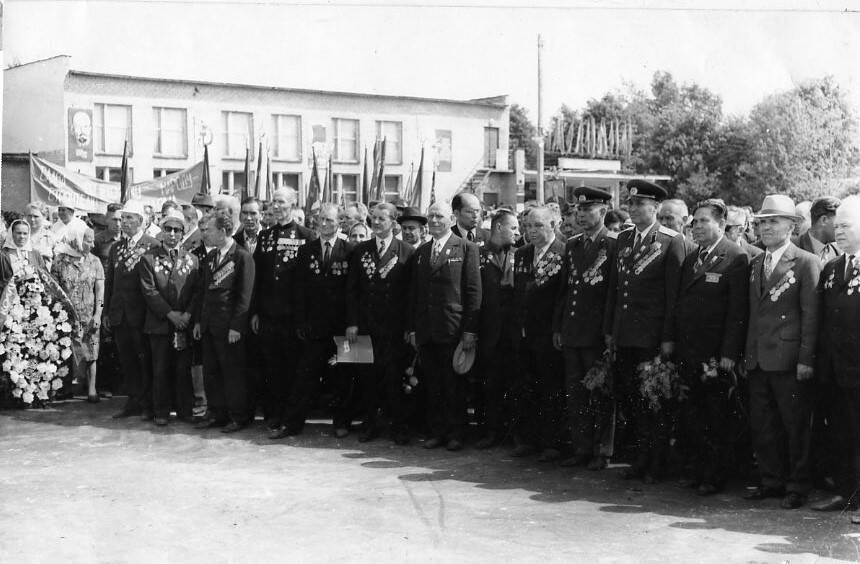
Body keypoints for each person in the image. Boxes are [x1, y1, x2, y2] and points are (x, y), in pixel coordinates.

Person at [604, 180, 685, 483]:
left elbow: (672, 297)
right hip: (625, 336)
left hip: (651, 339)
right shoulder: (624, 238)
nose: (634, 208)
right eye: (631, 204)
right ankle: (640, 460)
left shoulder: (670, 240)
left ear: (655, 208)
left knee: (654, 403)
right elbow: (615, 289)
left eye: (641, 204)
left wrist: (667, 338)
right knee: (632, 402)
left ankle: (657, 463)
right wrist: (611, 331)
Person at [743, 194, 820, 509]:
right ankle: (771, 481)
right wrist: (747, 355)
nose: (767, 227)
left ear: (792, 225)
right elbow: (752, 314)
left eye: (774, 221)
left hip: (789, 360)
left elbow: (811, 316)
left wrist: (806, 359)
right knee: (763, 425)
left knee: (795, 426)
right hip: (759, 358)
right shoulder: (757, 261)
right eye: (763, 222)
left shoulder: (805, 262)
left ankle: (797, 486)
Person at [672, 199, 749, 495]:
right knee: (693, 414)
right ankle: (697, 469)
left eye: (704, 221)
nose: (697, 227)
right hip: (689, 351)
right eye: (695, 221)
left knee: (717, 417)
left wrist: (729, 353)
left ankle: (715, 475)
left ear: (721, 223)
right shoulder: (693, 258)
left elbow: (737, 312)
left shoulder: (735, 257)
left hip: (716, 354)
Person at [553, 187, 617, 471]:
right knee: (575, 392)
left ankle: (601, 450)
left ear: (602, 212)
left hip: (596, 334)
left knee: (600, 393)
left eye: (586, 209)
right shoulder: (573, 245)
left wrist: (609, 332)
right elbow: (565, 291)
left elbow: (613, 295)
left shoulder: (613, 244)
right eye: (578, 209)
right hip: (573, 331)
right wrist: (558, 326)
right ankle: (581, 446)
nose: (580, 214)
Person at [407, 201, 481, 451]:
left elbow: (473, 292)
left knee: (454, 386)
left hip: (454, 329)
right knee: (433, 385)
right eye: (431, 216)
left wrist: (470, 330)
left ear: (451, 218)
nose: (435, 220)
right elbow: (416, 294)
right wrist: (414, 329)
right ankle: (437, 432)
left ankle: (456, 434)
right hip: (428, 330)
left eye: (439, 216)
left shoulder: (466, 248)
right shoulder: (422, 252)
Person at [277, 203, 354, 438]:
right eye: (321, 219)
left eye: (329, 220)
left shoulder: (351, 251)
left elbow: (354, 292)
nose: (324, 224)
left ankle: (341, 423)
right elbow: (298, 290)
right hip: (314, 328)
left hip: (343, 328)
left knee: (344, 377)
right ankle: (292, 424)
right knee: (304, 377)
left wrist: (353, 323)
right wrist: (301, 322)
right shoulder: (306, 250)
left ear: (339, 223)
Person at [346, 203, 414, 444]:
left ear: (393, 223)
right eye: (373, 218)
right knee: (366, 377)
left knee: (394, 378)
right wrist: (352, 323)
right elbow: (352, 290)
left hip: (393, 329)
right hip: (364, 327)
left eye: (381, 218)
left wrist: (408, 327)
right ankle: (370, 424)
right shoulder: (361, 250)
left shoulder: (406, 251)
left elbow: (410, 295)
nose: (375, 222)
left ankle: (398, 426)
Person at [252, 188, 317, 427]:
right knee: (271, 368)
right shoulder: (265, 236)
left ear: (293, 204)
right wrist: (256, 311)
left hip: (293, 316)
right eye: (273, 202)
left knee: (292, 369)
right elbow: (259, 278)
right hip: (269, 314)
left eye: (281, 202)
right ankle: (273, 415)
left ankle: (291, 419)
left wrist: (304, 318)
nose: (276, 206)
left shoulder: (307, 235)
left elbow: (310, 282)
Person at [813, 196, 860, 522]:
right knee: (842, 433)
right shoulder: (832, 267)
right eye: (837, 225)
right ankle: (848, 492)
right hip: (836, 371)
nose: (838, 231)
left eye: (846, 226)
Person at [511, 206, 567, 461]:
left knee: (551, 388)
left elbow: (563, 296)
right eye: (528, 226)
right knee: (527, 386)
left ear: (553, 225)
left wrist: (557, 328)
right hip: (525, 332)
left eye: (538, 226)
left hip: (550, 333)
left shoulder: (564, 252)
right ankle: (529, 439)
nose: (531, 231)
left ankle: (552, 442)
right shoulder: (522, 254)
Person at [192, 210, 255, 432]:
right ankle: (217, 413)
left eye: (208, 230)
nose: (205, 234)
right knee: (212, 373)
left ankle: (238, 416)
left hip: (229, 328)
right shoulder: (211, 257)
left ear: (222, 230)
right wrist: (200, 322)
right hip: (210, 326)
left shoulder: (242, 257)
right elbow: (204, 293)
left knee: (233, 374)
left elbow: (244, 297)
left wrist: (237, 326)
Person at [139, 209, 200, 426]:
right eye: (168, 229)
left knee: (182, 370)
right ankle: (161, 411)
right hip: (159, 325)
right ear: (161, 231)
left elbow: (196, 292)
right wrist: (170, 314)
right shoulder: (148, 258)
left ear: (183, 233)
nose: (172, 234)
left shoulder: (192, 259)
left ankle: (185, 410)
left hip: (183, 323)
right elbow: (149, 291)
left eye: (177, 230)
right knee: (160, 369)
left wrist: (187, 315)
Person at [103, 200, 160, 420]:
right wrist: (107, 311)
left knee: (144, 359)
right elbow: (111, 282)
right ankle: (133, 401)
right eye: (122, 217)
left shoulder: (152, 245)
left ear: (140, 221)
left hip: (141, 314)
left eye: (128, 218)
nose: (123, 222)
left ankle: (148, 403)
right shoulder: (117, 247)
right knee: (126, 360)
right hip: (119, 314)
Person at [474, 209, 520, 449]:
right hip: (487, 332)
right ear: (499, 227)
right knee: (488, 385)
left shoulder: (520, 254)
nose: (518, 232)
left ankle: (512, 434)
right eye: (513, 228)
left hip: (513, 334)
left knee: (514, 384)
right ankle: (490, 431)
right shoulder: (478, 254)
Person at [51, 227, 105, 403]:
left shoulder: (95, 261)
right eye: (88, 240)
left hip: (89, 316)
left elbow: (100, 292)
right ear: (77, 239)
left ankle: (92, 389)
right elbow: (53, 290)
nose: (93, 243)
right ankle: (64, 388)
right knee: (66, 351)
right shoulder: (60, 261)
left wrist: (98, 314)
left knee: (92, 352)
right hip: (66, 317)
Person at [796, 196, 842, 266]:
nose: (841, 229)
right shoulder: (794, 248)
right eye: (838, 222)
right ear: (824, 220)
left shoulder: (836, 252)